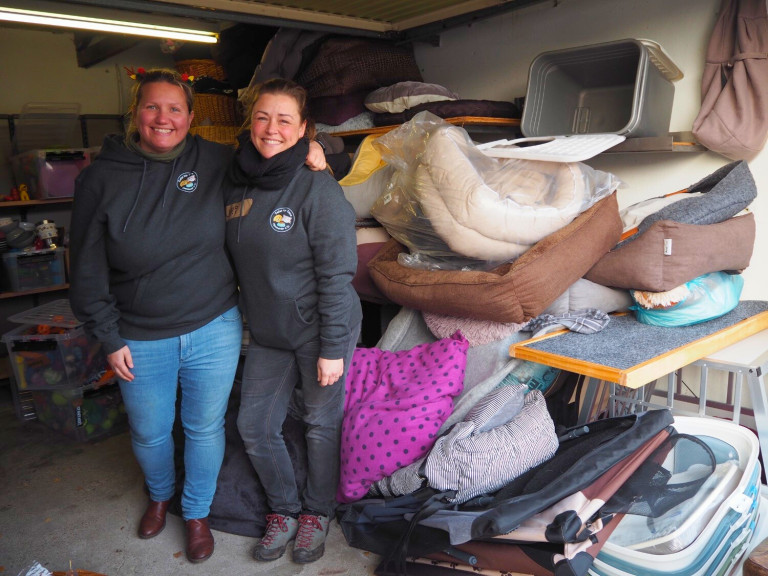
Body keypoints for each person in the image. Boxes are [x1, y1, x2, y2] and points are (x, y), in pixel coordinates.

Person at [68, 68, 327, 564]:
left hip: (213, 325)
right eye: (152, 107)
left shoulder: (213, 159)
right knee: (149, 430)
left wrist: (317, 151)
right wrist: (108, 334)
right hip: (138, 335)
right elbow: (85, 267)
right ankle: (160, 494)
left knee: (205, 427)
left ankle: (196, 512)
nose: (163, 118)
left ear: (190, 117)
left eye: (175, 109)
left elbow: (271, 150)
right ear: (135, 114)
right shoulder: (99, 179)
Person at [224, 78, 362, 564]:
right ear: (250, 122)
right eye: (263, 117)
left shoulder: (315, 187)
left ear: (304, 129)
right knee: (255, 426)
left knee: (320, 424)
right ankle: (283, 509)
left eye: (285, 120)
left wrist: (331, 347)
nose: (271, 128)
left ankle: (316, 513)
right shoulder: (237, 179)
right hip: (268, 330)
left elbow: (337, 275)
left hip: (320, 325)